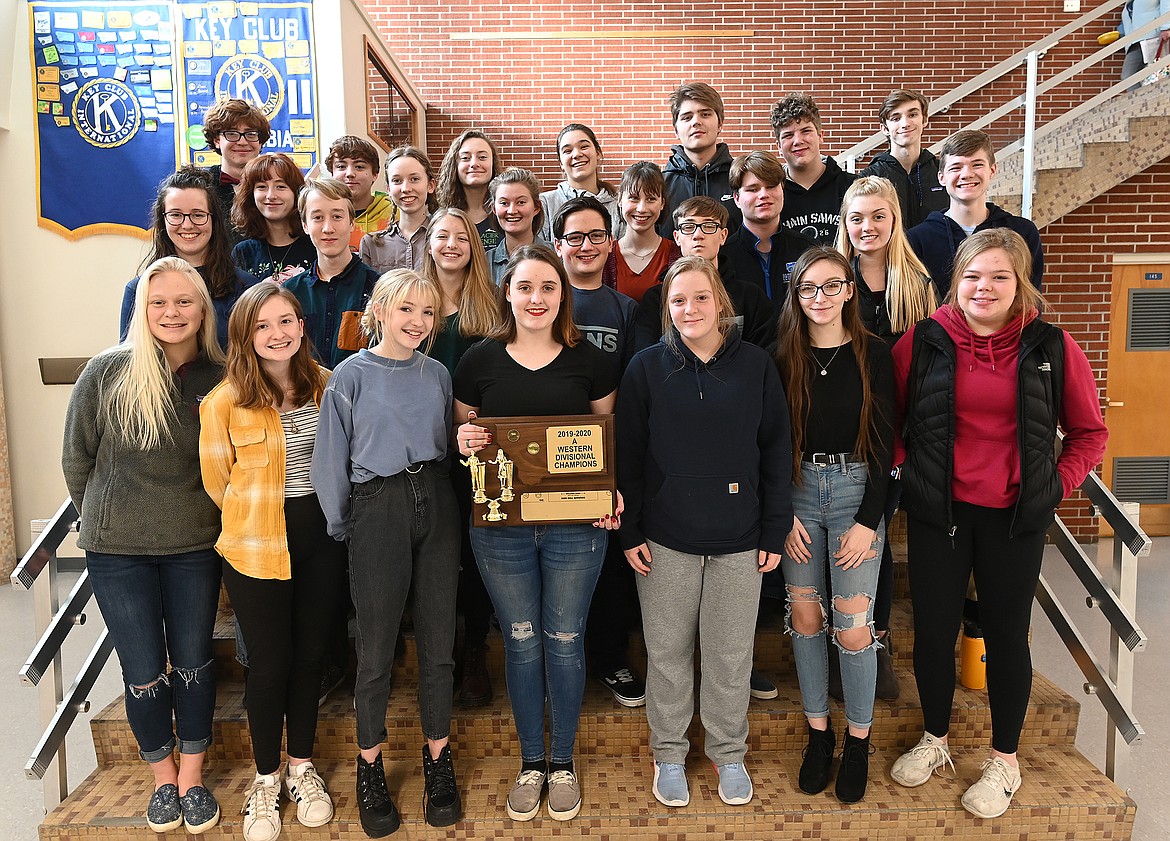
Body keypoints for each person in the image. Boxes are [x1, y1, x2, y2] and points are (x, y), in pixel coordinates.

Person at [889, 229, 1108, 819]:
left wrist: (1054, 486)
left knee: (1008, 635)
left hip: (1014, 517)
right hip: (940, 512)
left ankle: (1004, 759)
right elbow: (888, 418)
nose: (983, 287)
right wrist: (907, 472)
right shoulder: (923, 341)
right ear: (955, 282)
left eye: (998, 277)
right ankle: (935, 737)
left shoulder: (1052, 346)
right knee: (934, 632)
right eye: (972, 276)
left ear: (1020, 284)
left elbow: (1090, 433)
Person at [453, 245, 621, 823]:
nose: (536, 298)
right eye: (525, 287)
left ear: (562, 295)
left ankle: (563, 762)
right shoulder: (477, 361)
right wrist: (463, 442)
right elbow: (461, 441)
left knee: (566, 640)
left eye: (548, 287)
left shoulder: (591, 360)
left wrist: (611, 493)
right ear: (507, 292)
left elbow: (607, 439)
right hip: (501, 532)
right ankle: (531, 762)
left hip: (577, 529)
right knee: (522, 641)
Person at [617, 256, 790, 809]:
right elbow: (629, 457)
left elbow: (776, 451)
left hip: (740, 540)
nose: (689, 309)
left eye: (700, 298)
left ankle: (728, 753)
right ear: (666, 309)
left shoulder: (756, 365)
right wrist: (630, 531)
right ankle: (668, 753)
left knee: (730, 656)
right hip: (665, 539)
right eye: (678, 300)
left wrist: (774, 530)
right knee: (667, 654)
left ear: (720, 302)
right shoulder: (646, 368)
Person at [62, 256, 225, 835]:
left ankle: (192, 776)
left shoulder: (222, 376)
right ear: (142, 309)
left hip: (194, 545)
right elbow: (77, 459)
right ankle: (162, 778)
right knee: (143, 669)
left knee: (193, 664)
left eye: (184, 301)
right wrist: (106, 519)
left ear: (202, 309)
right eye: (159, 302)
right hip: (118, 550)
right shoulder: (106, 372)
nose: (171, 312)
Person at [312, 269, 463, 836]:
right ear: (378, 310)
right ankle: (370, 762)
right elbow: (331, 456)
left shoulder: (438, 373)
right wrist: (342, 522)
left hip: (436, 500)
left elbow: (445, 444)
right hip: (377, 504)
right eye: (406, 309)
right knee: (376, 646)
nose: (417, 322)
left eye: (427, 313)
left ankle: (438, 755)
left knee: (439, 641)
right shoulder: (349, 376)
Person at [199, 284, 343, 841]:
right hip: (254, 545)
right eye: (262, 325)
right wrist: (255, 517)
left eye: (286, 321)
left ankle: (302, 767)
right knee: (268, 664)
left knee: (309, 658)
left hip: (321, 542)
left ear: (302, 327)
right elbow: (218, 483)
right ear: (243, 335)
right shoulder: (224, 402)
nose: (277, 334)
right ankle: (265, 779)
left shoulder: (329, 386)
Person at [775, 247, 894, 804]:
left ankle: (859, 741)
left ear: (849, 290)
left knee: (851, 625)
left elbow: (887, 445)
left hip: (855, 489)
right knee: (805, 617)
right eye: (807, 288)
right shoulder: (781, 356)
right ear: (796, 296)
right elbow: (770, 443)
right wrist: (779, 513)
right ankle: (819, 735)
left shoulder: (876, 355)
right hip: (797, 492)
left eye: (830, 286)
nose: (818, 298)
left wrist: (870, 520)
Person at [835, 175, 937, 700]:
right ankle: (840, 642)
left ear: (895, 219)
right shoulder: (833, 278)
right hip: (840, 429)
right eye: (856, 217)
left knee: (873, 531)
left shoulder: (917, 284)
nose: (867, 226)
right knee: (840, 537)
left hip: (895, 432)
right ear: (844, 223)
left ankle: (874, 641)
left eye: (878, 216)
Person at [420, 207, 501, 707]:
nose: (451, 244)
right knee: (436, 557)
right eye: (442, 236)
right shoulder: (413, 301)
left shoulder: (491, 304)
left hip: (477, 447)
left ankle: (474, 651)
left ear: (474, 246)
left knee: (473, 555)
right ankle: (439, 655)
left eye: (461, 237)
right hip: (422, 447)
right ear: (428, 244)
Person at [120, 166, 259, 350]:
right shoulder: (138, 289)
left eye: (198, 215)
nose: (187, 225)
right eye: (176, 215)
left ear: (214, 220)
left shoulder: (247, 288)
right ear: (162, 221)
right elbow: (129, 358)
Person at [907, 130, 1045, 299]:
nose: (966, 174)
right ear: (941, 178)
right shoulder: (918, 239)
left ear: (992, 170)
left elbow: (1030, 299)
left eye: (977, 165)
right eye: (956, 167)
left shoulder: (1022, 232)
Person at [634, 196, 776, 353]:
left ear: (723, 236)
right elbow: (647, 358)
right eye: (688, 227)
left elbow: (763, 357)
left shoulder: (751, 297)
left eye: (708, 226)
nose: (698, 235)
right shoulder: (656, 299)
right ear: (677, 237)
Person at [284, 178, 381, 368]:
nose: (328, 228)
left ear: (352, 222)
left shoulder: (377, 288)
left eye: (337, 216)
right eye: (317, 218)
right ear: (305, 225)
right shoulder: (290, 293)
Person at [720, 151, 817, 307]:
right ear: (737, 198)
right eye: (753, 189)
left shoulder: (808, 250)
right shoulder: (723, 258)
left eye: (771, 186)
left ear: (782, 190)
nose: (764, 194)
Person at [772, 92, 856, 245]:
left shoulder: (852, 187)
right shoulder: (771, 195)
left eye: (806, 131)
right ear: (778, 146)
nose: (798, 141)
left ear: (820, 135)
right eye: (788, 135)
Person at [859, 89, 948, 230]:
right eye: (896, 118)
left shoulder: (942, 173)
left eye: (912, 115)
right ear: (884, 128)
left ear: (924, 120)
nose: (905, 123)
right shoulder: (870, 177)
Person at [660, 83, 741, 237]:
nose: (696, 122)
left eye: (705, 114)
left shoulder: (741, 180)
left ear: (720, 124)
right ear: (676, 130)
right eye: (687, 117)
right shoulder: (660, 186)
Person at [231, 153, 316, 284]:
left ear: (297, 193)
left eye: (280, 187)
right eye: (262, 187)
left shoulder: (316, 246)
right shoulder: (243, 252)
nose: (271, 196)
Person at [602, 161, 680, 303]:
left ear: (662, 203)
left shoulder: (677, 256)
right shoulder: (605, 257)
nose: (642, 208)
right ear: (620, 200)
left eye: (651, 199)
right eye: (634, 198)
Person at [360, 145, 438, 274]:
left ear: (430, 185)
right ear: (388, 189)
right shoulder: (372, 244)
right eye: (397, 180)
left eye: (414, 179)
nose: (406, 188)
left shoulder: (444, 239)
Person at [539, 124, 620, 242]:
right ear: (561, 163)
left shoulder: (619, 205)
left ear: (598, 153)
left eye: (584, 146)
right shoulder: (544, 204)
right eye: (567, 151)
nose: (576, 154)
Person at [199, 98, 271, 225]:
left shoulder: (276, 184)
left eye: (251, 134)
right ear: (217, 140)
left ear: (260, 142)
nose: (242, 142)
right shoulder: (201, 187)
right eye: (232, 134)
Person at [326, 135, 398, 251]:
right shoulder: (322, 215)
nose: (350, 173)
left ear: (375, 174)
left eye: (359, 167)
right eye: (341, 166)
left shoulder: (395, 215)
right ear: (332, 174)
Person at [436, 129, 504, 250]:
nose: (474, 164)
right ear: (455, 166)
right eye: (465, 158)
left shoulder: (505, 213)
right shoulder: (442, 218)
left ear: (493, 163)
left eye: (482, 157)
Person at [487, 168, 550, 284]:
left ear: (536, 207)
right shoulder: (484, 263)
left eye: (521, 202)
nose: (512, 211)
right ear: (494, 209)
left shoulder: (557, 256)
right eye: (504, 203)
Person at [1119, 0, 1170, 84]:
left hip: (1152, 37)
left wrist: (1166, 27)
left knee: (1128, 76)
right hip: (1134, 41)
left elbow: (1167, 4)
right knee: (1135, 77)